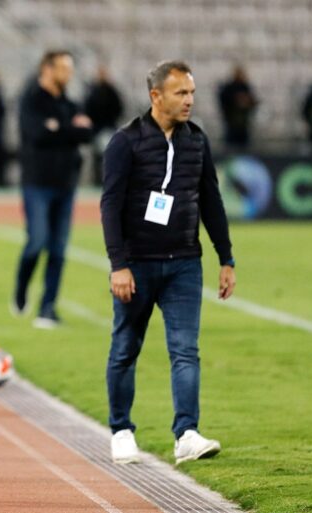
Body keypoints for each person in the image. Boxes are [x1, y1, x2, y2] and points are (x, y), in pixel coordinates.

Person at [101, 60, 236, 465]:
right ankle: (121, 431)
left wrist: (226, 257)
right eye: (181, 93)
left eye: (192, 92)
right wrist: (118, 265)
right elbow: (110, 205)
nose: (189, 100)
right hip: (137, 264)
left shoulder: (197, 140)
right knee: (125, 349)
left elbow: (211, 201)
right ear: (156, 96)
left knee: (185, 351)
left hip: (184, 264)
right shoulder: (125, 142)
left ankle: (187, 434)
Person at [11, 50, 93, 328]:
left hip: (66, 183)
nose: (68, 73)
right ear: (47, 69)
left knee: (58, 249)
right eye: (63, 68)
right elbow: (38, 134)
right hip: (37, 182)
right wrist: (70, 130)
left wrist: (59, 128)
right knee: (36, 241)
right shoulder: (30, 100)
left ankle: (48, 308)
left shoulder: (70, 103)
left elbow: (86, 133)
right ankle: (22, 286)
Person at [84, 65, 124, 185]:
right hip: (97, 129)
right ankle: (98, 180)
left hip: (108, 128)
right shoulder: (93, 91)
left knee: (110, 156)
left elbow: (118, 108)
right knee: (97, 156)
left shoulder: (111, 91)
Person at [217, 64, 257, 149]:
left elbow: (252, 101)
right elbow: (224, 101)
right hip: (232, 124)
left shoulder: (245, 87)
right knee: (231, 147)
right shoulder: (229, 88)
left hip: (243, 124)